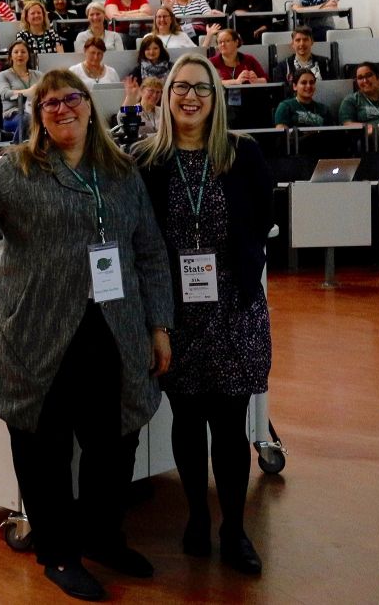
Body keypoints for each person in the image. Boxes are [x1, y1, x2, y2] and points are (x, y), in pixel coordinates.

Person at [0, 71, 173, 602]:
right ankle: (58, 553)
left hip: (112, 328)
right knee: (42, 449)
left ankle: (103, 537)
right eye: (49, 103)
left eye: (72, 98)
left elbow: (149, 251)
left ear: (89, 106)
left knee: (115, 442)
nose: (62, 108)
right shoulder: (18, 168)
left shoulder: (121, 171)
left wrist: (158, 326)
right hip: (35, 331)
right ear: (38, 117)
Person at [133, 53, 273, 576]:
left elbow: (262, 218)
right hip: (175, 314)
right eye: (180, 88)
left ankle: (234, 529)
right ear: (167, 96)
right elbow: (141, 239)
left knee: (231, 425)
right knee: (188, 420)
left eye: (201, 88)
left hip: (233, 308)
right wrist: (157, 320)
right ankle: (196, 517)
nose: (190, 97)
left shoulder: (243, 153)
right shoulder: (146, 160)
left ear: (216, 98)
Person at [0, 40, 38, 138]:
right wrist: (27, 92)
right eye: (16, 52)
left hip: (36, 111)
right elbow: (5, 93)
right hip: (13, 115)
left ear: (28, 55)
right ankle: (19, 146)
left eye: (23, 52)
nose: (20, 55)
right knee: (27, 119)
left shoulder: (38, 74)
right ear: (10, 56)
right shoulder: (3, 75)